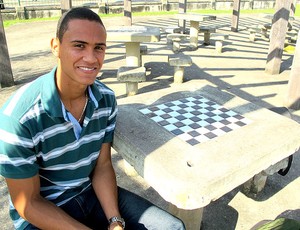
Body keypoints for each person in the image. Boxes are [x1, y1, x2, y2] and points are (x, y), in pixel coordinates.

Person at [0, 7, 185, 230]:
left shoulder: (105, 99)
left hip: (88, 193)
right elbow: (27, 203)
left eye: (99, 48)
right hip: (42, 212)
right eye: (79, 45)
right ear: (55, 47)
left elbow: (103, 165)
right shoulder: (19, 117)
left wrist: (115, 221)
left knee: (172, 227)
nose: (90, 58)